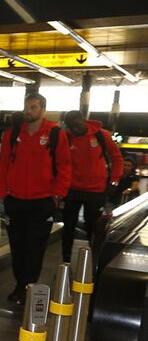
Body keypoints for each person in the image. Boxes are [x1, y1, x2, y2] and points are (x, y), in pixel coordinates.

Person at [0, 93, 71, 304]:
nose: (28, 111)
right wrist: (3, 193)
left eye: (33, 107)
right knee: (17, 246)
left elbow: (64, 165)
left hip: (42, 201)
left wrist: (58, 195)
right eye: (26, 107)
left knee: (35, 247)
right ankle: (20, 284)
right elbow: (3, 165)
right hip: (15, 200)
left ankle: (28, 286)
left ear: (43, 110)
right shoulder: (12, 134)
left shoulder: (55, 134)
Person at [61, 110, 123, 263]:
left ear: (83, 120)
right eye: (70, 127)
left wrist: (114, 181)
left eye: (76, 126)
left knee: (93, 227)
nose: (74, 130)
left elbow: (117, 158)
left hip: (95, 191)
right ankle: (66, 259)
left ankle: (93, 260)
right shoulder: (67, 137)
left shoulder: (101, 135)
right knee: (68, 226)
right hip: (72, 189)